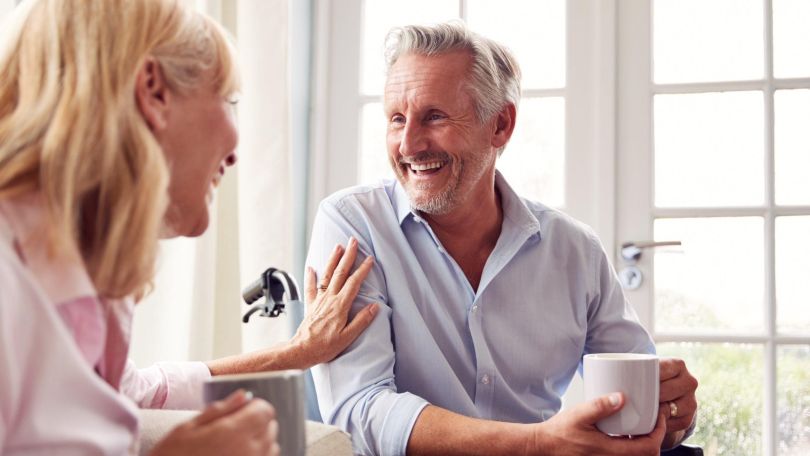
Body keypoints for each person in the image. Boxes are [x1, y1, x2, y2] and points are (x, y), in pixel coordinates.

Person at [0, 0, 376, 454]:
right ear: (154, 92)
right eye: (229, 100)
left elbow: (135, 396)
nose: (236, 151)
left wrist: (298, 352)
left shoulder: (87, 279)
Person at [306, 22, 699, 455]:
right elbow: (359, 409)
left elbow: (642, 399)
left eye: (434, 116)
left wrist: (676, 413)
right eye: (397, 119)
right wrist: (536, 442)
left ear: (500, 125)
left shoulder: (575, 250)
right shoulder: (353, 225)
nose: (409, 144)